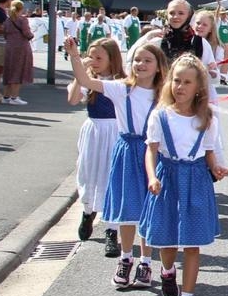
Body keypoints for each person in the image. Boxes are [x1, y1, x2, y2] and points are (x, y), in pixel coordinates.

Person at [66, 36, 169, 275]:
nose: (141, 64)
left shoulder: (165, 94)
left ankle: (146, 261)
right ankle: (125, 258)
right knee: (126, 207)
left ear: (158, 66)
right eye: (137, 60)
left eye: (147, 60)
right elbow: (85, 80)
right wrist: (75, 56)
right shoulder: (121, 88)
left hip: (153, 153)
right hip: (127, 151)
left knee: (149, 208)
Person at [141, 54, 228, 296]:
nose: (180, 87)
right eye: (176, 80)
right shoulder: (160, 115)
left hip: (196, 180)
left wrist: (216, 168)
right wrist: (151, 177)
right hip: (167, 178)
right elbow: (151, 150)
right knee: (167, 242)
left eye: (187, 82)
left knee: (192, 244)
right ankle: (168, 271)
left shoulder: (207, 118)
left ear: (198, 87)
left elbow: (209, 152)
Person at [68, 38, 124, 243]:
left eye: (99, 58)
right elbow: (73, 100)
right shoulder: (89, 80)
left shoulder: (122, 81)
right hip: (94, 130)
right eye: (91, 57)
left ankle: (112, 230)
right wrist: (80, 74)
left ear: (112, 59)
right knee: (89, 171)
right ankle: (87, 211)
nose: (94, 61)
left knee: (112, 176)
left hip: (116, 131)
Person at [1, 0, 34, 105]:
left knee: (9, 70)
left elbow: (4, 34)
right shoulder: (22, 20)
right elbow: (27, 33)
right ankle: (14, 97)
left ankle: (6, 96)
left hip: (10, 47)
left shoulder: (7, 20)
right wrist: (32, 35)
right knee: (18, 71)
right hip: (21, 47)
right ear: (21, 8)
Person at [217, 10, 228, 81]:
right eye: (222, 14)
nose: (223, 15)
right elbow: (216, 34)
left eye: (224, 14)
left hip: (227, 45)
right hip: (219, 45)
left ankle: (223, 78)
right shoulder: (217, 23)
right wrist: (220, 42)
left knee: (227, 62)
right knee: (219, 61)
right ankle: (217, 77)